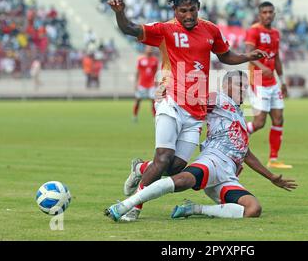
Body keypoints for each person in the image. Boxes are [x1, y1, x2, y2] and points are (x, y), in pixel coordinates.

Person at [108, 0, 268, 220]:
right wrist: (120, 13)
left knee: (175, 166)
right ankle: (133, 208)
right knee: (162, 159)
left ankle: (140, 168)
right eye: (183, 11)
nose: (189, 15)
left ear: (198, 8)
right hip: (170, 101)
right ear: (175, 10)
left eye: (192, 10)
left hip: (196, 111)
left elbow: (225, 56)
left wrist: (247, 57)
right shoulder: (165, 30)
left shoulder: (211, 30)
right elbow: (130, 28)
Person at [105, 70, 297, 221]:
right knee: (179, 180)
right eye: (240, 85)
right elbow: (191, 99)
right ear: (225, 85)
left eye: (246, 86)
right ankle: (124, 206)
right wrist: (168, 91)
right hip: (213, 160)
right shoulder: (219, 99)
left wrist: (271, 177)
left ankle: (194, 209)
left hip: (227, 174)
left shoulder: (238, 114)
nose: (244, 90)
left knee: (253, 209)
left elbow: (245, 152)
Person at [245, 2, 292, 169]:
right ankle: (233, 134)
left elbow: (276, 58)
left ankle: (273, 159)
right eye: (264, 12)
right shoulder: (254, 30)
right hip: (257, 79)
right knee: (259, 123)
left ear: (274, 13)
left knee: (279, 118)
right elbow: (248, 53)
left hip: (272, 82)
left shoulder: (275, 33)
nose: (268, 15)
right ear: (259, 14)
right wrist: (262, 66)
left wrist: (283, 81)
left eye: (270, 12)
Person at [133, 46, 159, 121]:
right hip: (142, 84)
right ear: (145, 50)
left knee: (153, 101)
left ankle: (154, 117)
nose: (149, 50)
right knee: (138, 100)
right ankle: (135, 115)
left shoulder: (155, 60)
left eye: (151, 49)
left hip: (151, 84)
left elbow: (156, 72)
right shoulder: (141, 60)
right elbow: (137, 72)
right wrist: (136, 83)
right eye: (148, 49)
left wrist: (157, 82)